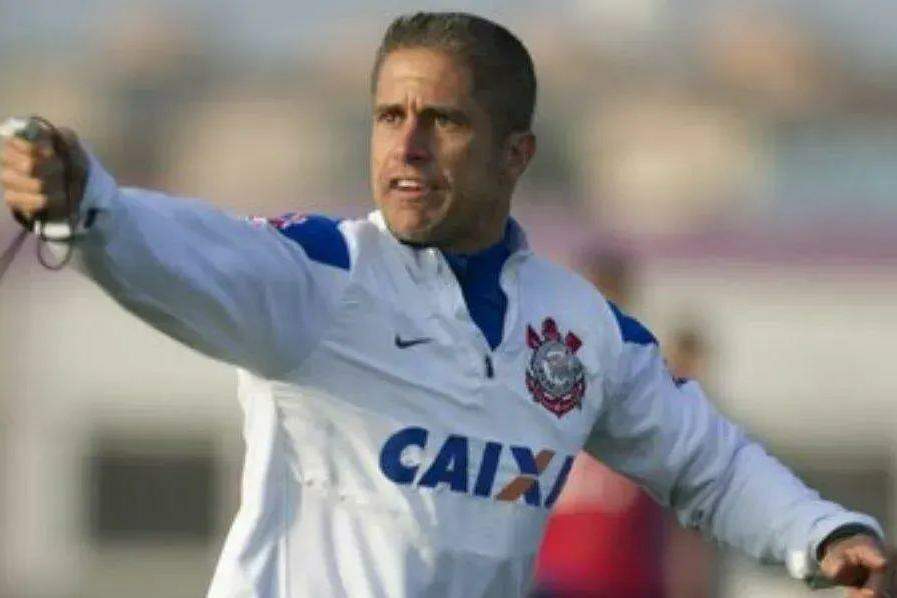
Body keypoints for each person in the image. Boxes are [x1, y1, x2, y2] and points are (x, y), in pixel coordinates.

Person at [0, 12, 892, 598]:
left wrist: (820, 533)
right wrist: (85, 203)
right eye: (390, 116)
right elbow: (183, 249)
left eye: (445, 121)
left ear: (515, 153)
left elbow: (708, 464)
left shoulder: (579, 329)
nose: (409, 146)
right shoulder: (321, 277)